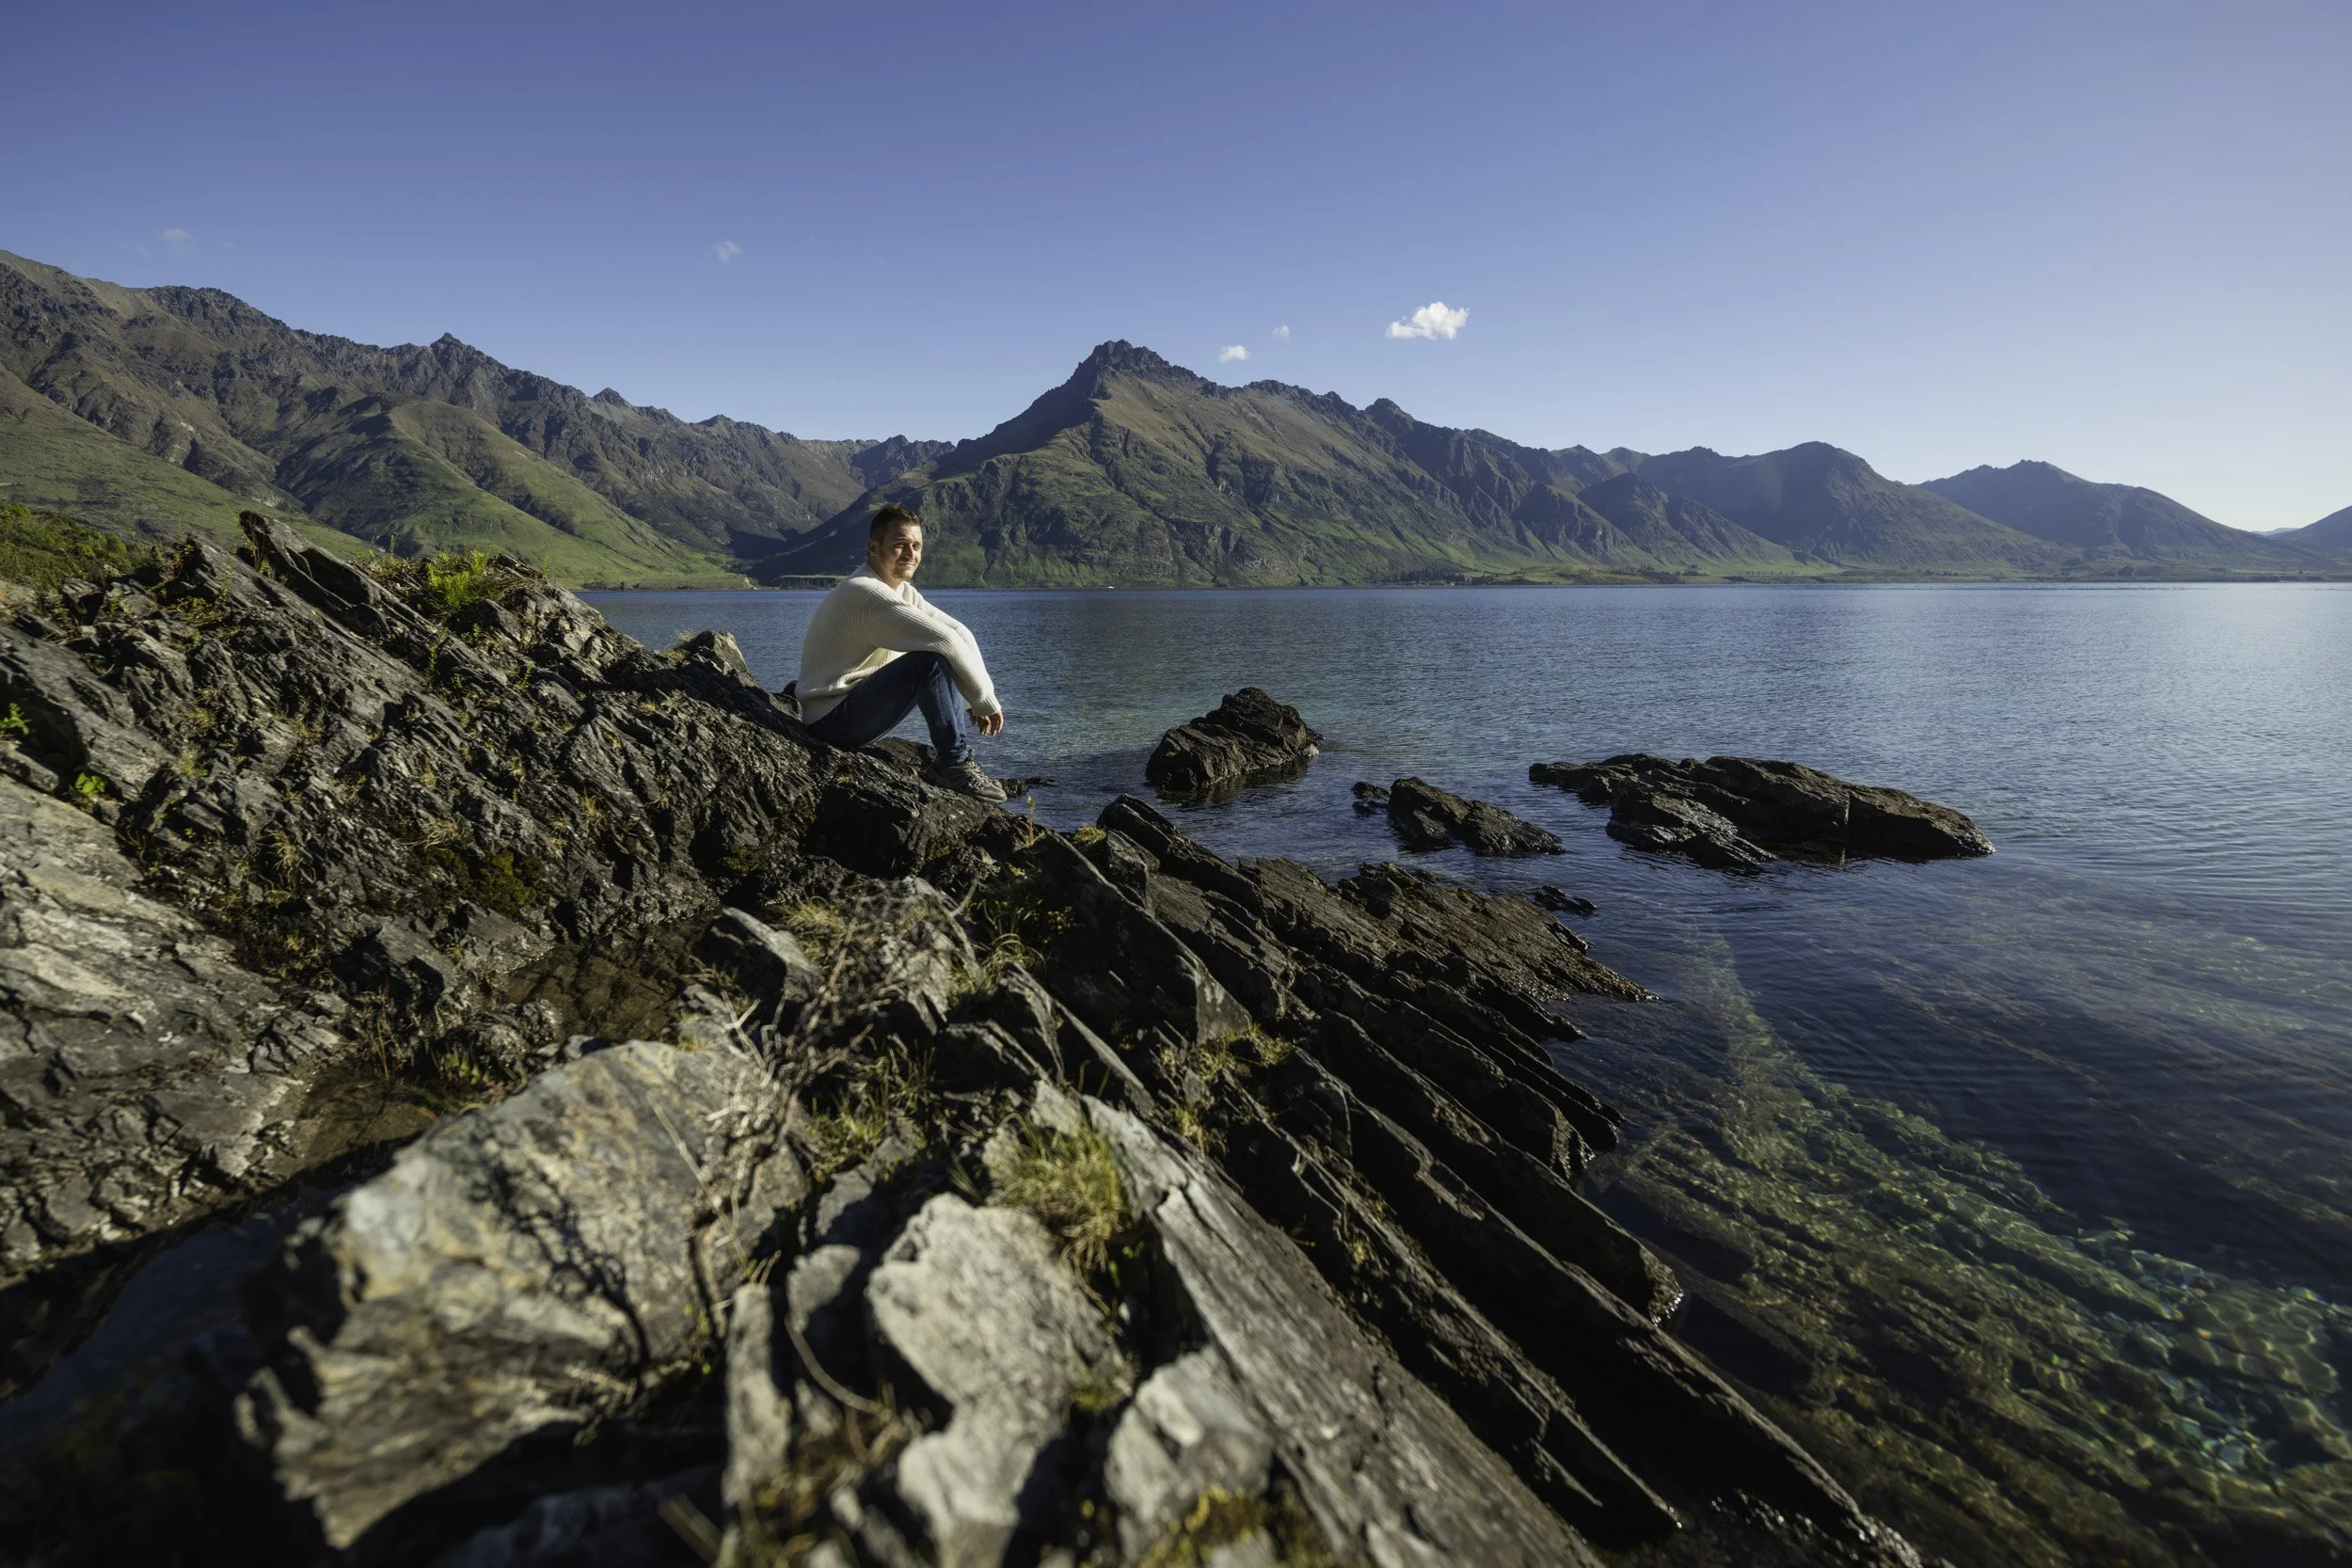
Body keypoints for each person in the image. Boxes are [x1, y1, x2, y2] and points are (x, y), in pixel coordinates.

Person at [794, 504, 1008, 801]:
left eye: (916, 546)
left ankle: (955, 760)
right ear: (873, 547)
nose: (911, 554)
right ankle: (953, 764)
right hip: (831, 721)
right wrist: (983, 700)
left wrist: (976, 699)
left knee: (935, 657)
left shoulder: (900, 591)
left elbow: (959, 633)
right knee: (929, 663)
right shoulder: (866, 592)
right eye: (899, 545)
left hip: (848, 708)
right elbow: (945, 641)